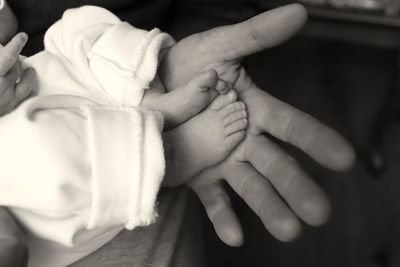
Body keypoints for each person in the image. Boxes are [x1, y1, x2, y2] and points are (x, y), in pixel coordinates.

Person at [0, 1, 356, 266]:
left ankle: (154, 104)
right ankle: (171, 153)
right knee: (33, 155)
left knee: (80, 23)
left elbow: (6, 21)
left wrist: (172, 62)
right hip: (50, 185)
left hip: (63, 75)